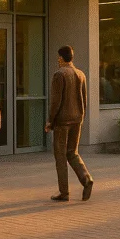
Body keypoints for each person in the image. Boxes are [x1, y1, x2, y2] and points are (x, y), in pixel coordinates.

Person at [45, 46, 93, 202]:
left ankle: (64, 192)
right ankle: (86, 179)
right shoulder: (80, 74)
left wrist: (50, 121)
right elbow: (84, 100)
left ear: (60, 58)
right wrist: (81, 117)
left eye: (58, 58)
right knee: (72, 152)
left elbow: (56, 102)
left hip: (63, 121)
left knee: (60, 155)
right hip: (77, 118)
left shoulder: (59, 74)